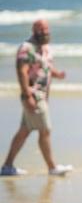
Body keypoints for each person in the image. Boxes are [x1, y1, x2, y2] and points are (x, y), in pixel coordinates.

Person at [2, 19, 72, 177]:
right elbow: (22, 71)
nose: (45, 33)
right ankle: (52, 167)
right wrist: (27, 96)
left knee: (24, 132)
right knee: (45, 130)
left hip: (42, 95)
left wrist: (57, 74)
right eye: (41, 31)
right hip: (33, 94)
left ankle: (7, 166)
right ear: (34, 31)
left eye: (47, 30)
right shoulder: (26, 48)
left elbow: (45, 67)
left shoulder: (45, 48)